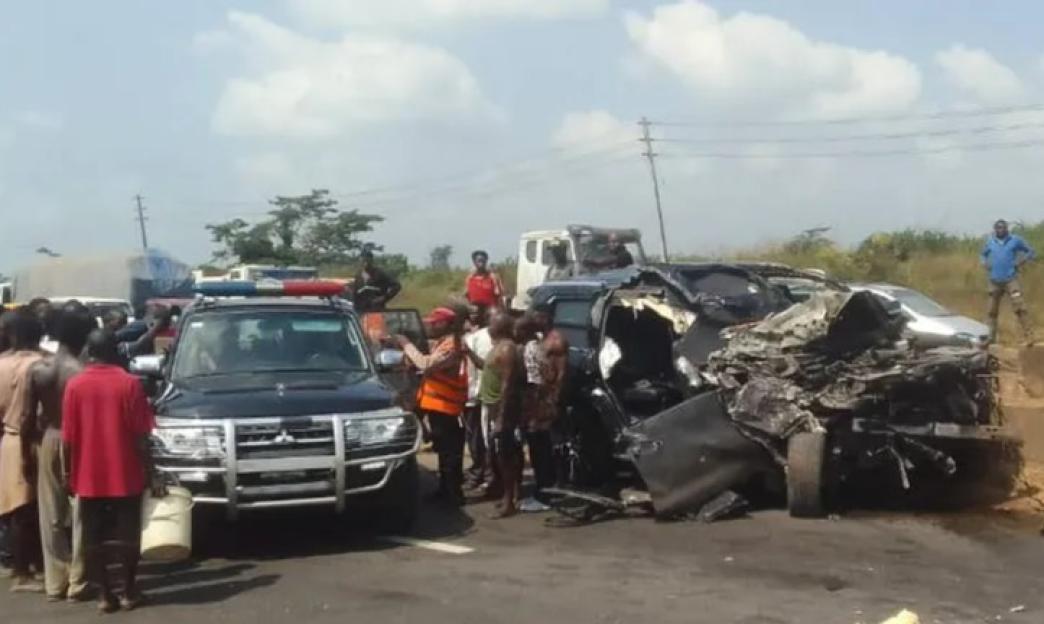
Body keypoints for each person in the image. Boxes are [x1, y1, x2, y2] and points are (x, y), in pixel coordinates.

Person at [63, 329, 160, 613]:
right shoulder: (130, 383)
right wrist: (152, 471)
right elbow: (141, 436)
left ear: (89, 352)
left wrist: (67, 474)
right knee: (128, 533)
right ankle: (128, 592)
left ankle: (105, 595)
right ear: (114, 352)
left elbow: (68, 439)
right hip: (125, 470)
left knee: (92, 535)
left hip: (87, 473)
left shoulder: (75, 386)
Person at [26, 307, 95, 601]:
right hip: (81, 441)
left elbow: (30, 417)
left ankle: (55, 582)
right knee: (82, 513)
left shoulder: (39, 370)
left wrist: (26, 452)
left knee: (50, 514)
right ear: (84, 336)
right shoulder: (84, 373)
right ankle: (79, 580)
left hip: (50, 437)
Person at [395, 308, 467, 506]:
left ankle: (453, 494)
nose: (431, 326)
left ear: (446, 324)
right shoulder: (444, 342)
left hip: (448, 407)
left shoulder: (452, 345)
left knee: (450, 453)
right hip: (439, 406)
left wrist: (406, 344)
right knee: (443, 451)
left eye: (435, 323)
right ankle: (445, 490)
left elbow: (426, 364)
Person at [0, 308, 46, 593]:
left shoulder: (2, 365)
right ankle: (25, 571)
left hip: (10, 438)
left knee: (16, 508)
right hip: (37, 440)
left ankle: (23, 567)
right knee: (33, 509)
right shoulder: (43, 364)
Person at [479, 312, 524, 518]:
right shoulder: (497, 347)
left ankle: (509, 501)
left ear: (501, 327)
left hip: (502, 408)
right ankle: (508, 495)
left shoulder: (507, 349)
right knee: (499, 454)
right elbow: (488, 368)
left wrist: (501, 417)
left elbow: (508, 385)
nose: (489, 326)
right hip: (493, 406)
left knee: (505, 455)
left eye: (492, 323)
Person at [981, 219, 1036, 345]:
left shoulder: (1015, 240)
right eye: (998, 228)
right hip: (994, 281)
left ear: (1006, 229)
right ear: (995, 229)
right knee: (991, 311)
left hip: (1011, 280)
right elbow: (983, 254)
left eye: (1002, 227)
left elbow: (1030, 251)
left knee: (1019, 306)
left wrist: (1021, 261)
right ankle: (990, 338)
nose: (1000, 230)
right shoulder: (990, 241)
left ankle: (1029, 336)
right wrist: (984, 263)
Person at [461, 307, 493, 491]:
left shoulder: (472, 339)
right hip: (486, 394)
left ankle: (480, 473)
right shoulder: (497, 337)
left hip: (475, 395)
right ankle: (485, 473)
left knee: (476, 437)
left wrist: (469, 394)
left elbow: (471, 370)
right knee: (484, 436)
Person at [353, 249, 402, 313]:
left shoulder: (379, 273)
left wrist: (384, 297)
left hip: (377, 310)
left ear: (371, 260)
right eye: (363, 260)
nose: (365, 262)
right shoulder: (358, 276)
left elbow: (396, 285)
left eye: (367, 259)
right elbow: (355, 295)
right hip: (363, 311)